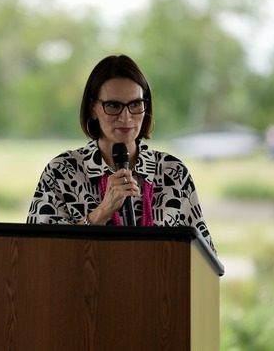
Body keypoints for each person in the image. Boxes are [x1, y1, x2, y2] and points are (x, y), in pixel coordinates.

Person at [26, 54, 216, 253]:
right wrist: (102, 212)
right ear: (93, 109)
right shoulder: (61, 172)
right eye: (113, 106)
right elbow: (38, 254)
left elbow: (206, 258)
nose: (126, 117)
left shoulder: (173, 173)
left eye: (135, 104)